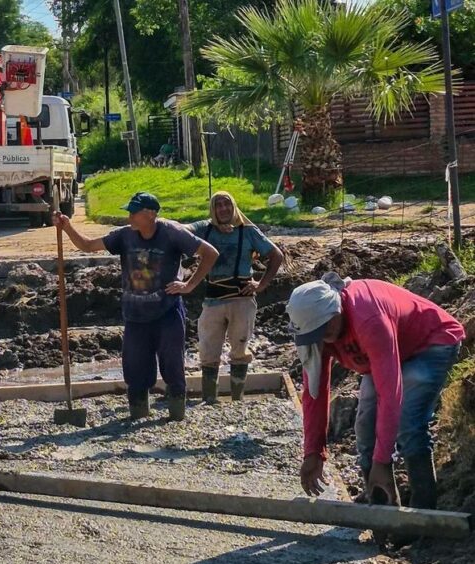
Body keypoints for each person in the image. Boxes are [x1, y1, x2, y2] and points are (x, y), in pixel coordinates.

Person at [287, 274, 464, 509]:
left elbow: (390, 395)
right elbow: (314, 392)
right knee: (364, 426)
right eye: (313, 335)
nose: (321, 339)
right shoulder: (317, 333)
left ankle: (424, 513)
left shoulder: (368, 319)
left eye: (324, 329)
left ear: (335, 310)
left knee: (408, 423)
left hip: (430, 343)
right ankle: (381, 505)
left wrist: (383, 461)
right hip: (388, 352)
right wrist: (313, 451)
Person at [53, 191, 218, 421]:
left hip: (167, 313)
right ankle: (139, 412)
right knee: (135, 369)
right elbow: (88, 245)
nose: (129, 216)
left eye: (134, 212)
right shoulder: (124, 236)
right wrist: (67, 227)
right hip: (135, 316)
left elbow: (210, 253)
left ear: (150, 214)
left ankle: (176, 414)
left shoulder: (172, 233)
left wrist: (189, 285)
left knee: (172, 365)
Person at [185, 191, 284, 403]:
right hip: (213, 300)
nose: (223, 209)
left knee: (240, 349)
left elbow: (276, 255)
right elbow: (185, 231)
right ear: (213, 209)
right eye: (218, 205)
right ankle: (209, 400)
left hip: (241, 300)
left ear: (234, 207)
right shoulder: (205, 229)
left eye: (227, 204)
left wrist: (261, 284)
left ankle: (237, 400)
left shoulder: (248, 232)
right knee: (208, 351)